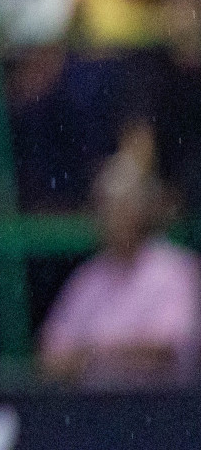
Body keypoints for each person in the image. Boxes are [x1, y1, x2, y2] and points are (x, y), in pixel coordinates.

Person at [39, 151, 201, 388]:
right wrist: (114, 354)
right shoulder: (88, 276)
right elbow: (50, 356)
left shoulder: (176, 270)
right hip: (94, 413)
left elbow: (164, 350)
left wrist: (88, 354)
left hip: (163, 412)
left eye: (120, 206)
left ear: (143, 209)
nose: (111, 217)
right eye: (103, 207)